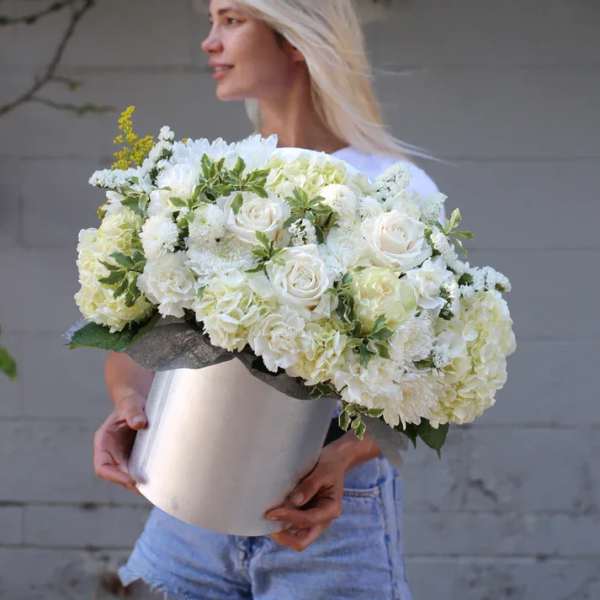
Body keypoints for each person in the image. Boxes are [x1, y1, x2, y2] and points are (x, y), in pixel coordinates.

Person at [94, 1, 443, 598]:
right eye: (212, 21)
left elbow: (432, 382)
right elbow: (136, 336)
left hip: (326, 516)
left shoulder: (394, 189)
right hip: (189, 504)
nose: (209, 41)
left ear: (296, 39)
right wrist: (129, 404)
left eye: (232, 20)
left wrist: (341, 459)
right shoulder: (208, 178)